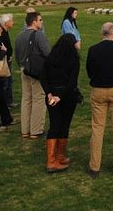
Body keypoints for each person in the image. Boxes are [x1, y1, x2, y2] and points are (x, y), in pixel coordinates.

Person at [86, 22, 113, 178]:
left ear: (102, 34)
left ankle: (94, 166)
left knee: (97, 128)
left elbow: (89, 71)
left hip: (98, 90)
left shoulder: (93, 50)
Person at [40, 33, 81, 173]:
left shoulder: (51, 58)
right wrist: (60, 96)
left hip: (52, 94)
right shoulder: (74, 59)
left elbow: (43, 77)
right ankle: (54, 159)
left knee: (55, 124)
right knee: (64, 124)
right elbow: (72, 82)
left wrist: (49, 93)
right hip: (67, 96)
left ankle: (57, 157)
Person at [15, 11, 51, 139]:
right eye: (40, 20)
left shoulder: (19, 36)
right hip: (36, 72)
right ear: (34, 21)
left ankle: (25, 130)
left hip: (24, 70)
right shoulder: (39, 35)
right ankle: (36, 130)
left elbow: (17, 55)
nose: (41, 22)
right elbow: (48, 53)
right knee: (39, 99)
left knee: (26, 99)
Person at [0, 14, 16, 108]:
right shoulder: (1, 32)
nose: (13, 22)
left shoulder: (5, 31)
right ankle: (5, 103)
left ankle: (9, 101)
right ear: (6, 22)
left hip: (7, 59)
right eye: (11, 20)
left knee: (9, 81)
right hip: (4, 60)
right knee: (5, 82)